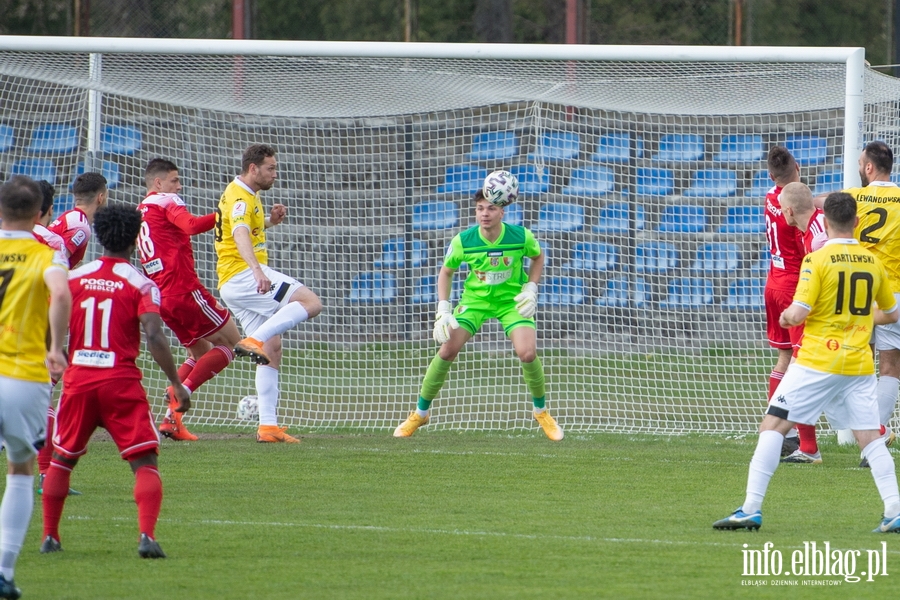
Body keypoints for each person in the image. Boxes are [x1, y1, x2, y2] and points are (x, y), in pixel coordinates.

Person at [713, 192, 900, 533]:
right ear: (856, 222)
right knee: (870, 437)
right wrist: (855, 318)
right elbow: (890, 314)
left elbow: (798, 312)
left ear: (824, 223)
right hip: (857, 365)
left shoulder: (817, 260)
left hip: (817, 360)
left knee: (772, 426)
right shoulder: (873, 263)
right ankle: (894, 510)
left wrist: (786, 317)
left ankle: (750, 508)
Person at [40, 205, 191, 559]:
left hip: (78, 381)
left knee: (62, 459)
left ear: (100, 236)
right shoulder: (141, 283)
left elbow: (51, 317)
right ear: (136, 238)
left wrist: (56, 350)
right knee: (144, 461)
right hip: (120, 382)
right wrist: (176, 382)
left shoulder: (74, 278)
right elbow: (154, 335)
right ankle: (146, 536)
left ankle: (50, 537)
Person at [393, 188, 563, 442]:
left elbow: (538, 257)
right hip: (474, 302)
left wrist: (531, 287)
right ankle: (420, 413)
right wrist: (443, 308)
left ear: (502, 211)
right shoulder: (464, 240)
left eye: (491, 208)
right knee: (446, 350)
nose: (485, 214)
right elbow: (446, 272)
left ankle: (541, 412)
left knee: (527, 353)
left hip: (510, 302)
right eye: (480, 208)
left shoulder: (521, 236)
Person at [214, 144, 322, 443]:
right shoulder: (240, 198)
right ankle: (252, 340)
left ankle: (268, 426)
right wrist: (257, 271)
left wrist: (270, 222)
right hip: (243, 275)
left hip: (233, 281)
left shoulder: (248, 195)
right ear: (253, 169)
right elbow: (239, 233)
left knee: (272, 348)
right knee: (311, 302)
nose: (275, 173)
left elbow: (248, 227)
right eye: (270, 168)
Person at [138, 158, 244, 442]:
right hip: (184, 289)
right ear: (158, 183)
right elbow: (192, 225)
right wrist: (226, 213)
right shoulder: (165, 200)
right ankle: (180, 391)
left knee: (198, 354)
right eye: (174, 180)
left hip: (161, 296)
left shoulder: (142, 211)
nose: (179, 185)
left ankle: (172, 421)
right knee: (232, 345)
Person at [0, 176, 71, 599]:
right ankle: (4, 573)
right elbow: (60, 294)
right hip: (23, 376)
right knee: (21, 470)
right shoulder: (47, 254)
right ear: (42, 214)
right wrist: (57, 349)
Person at [33, 172, 107, 494]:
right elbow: (62, 270)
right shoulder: (77, 228)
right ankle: (47, 471)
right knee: (45, 386)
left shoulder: (70, 221)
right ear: (101, 197)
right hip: (45, 307)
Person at [835, 141, 900, 465]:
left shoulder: (853, 198)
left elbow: (821, 204)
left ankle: (869, 434)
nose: (860, 168)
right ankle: (876, 434)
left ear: (870, 168)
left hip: (858, 290)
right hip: (893, 290)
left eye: (861, 163)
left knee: (861, 361)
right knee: (890, 365)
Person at [774, 181, 827, 463]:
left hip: (823, 322)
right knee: (801, 382)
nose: (782, 214)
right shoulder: (811, 230)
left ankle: (807, 447)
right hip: (815, 320)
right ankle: (808, 447)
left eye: (783, 209)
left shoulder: (819, 237)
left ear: (790, 211)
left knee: (800, 382)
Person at [761, 146, 806, 456]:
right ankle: (806, 443)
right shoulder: (797, 209)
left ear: (770, 175)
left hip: (773, 282)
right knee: (804, 365)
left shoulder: (768, 198)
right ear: (798, 167)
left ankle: (777, 435)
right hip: (793, 286)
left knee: (784, 360)